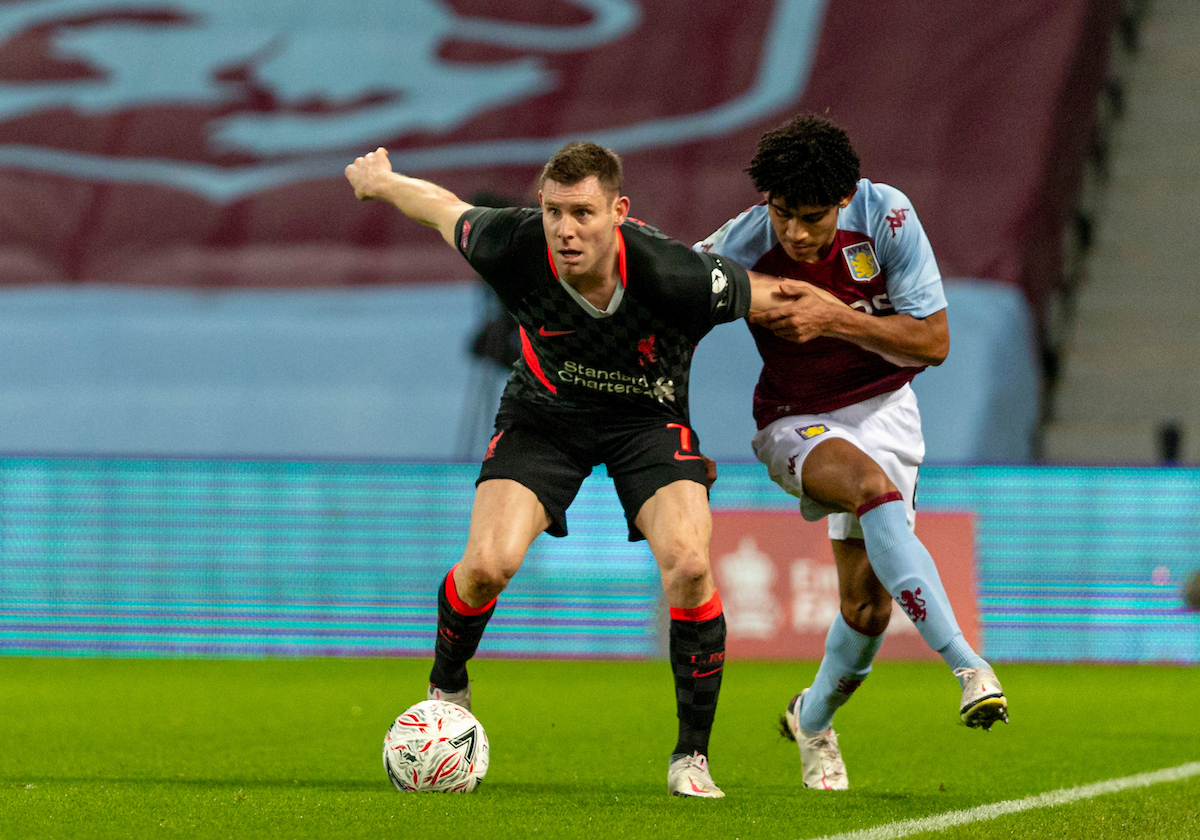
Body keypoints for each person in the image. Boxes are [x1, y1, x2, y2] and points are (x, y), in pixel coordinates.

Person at [346, 141, 800, 798]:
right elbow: (444, 209)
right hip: (545, 414)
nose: (566, 228)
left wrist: (879, 333)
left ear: (618, 211)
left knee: (690, 563)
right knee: (485, 568)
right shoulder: (512, 244)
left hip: (646, 419)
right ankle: (448, 683)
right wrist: (382, 182)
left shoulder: (676, 275)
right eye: (555, 211)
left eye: (583, 213)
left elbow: (782, 300)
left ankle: (691, 757)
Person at [695, 114, 1008, 791]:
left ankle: (811, 717)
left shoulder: (887, 216)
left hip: (889, 410)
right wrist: (673, 434)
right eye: (783, 214)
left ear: (844, 198)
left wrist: (831, 314)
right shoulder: (743, 245)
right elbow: (668, 309)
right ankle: (967, 666)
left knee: (867, 610)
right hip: (793, 419)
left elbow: (934, 343)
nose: (797, 233)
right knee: (869, 487)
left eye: (812, 216)